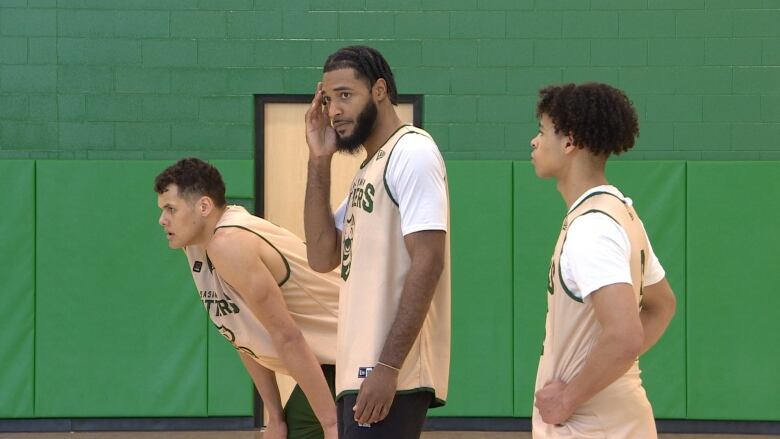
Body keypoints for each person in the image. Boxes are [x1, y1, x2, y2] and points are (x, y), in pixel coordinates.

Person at [303, 45, 451, 439]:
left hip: (389, 374)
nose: (334, 110)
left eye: (346, 95)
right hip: (359, 369)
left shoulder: (412, 151)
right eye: (329, 99)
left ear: (380, 90)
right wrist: (318, 160)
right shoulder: (369, 170)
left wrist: (388, 367)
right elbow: (320, 255)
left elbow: (429, 261)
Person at [529, 83, 677, 438]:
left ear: (569, 142)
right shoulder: (619, 212)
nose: (534, 142)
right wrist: (608, 367)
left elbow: (625, 336)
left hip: (592, 426)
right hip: (613, 419)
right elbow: (662, 306)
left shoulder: (592, 228)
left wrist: (568, 397)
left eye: (542, 132)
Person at [154, 157, 339, 439]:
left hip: (358, 348)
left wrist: (332, 425)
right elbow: (242, 334)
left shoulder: (231, 243)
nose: (162, 219)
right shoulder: (197, 247)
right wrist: (275, 417)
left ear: (203, 207)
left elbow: (287, 335)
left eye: (170, 209)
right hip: (327, 359)